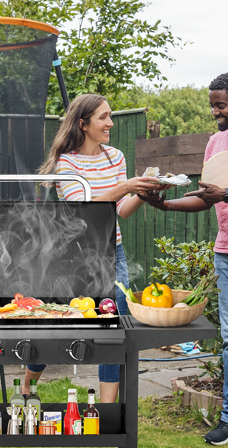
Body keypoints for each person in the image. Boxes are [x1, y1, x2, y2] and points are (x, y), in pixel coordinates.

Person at [144, 72, 228, 445]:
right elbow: (207, 197)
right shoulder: (215, 142)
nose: (215, 112)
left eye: (220, 105)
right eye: (212, 106)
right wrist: (167, 204)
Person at [22, 94, 163, 403]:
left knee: (114, 331)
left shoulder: (115, 156)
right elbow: (79, 208)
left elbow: (122, 210)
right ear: (83, 124)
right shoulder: (67, 162)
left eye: (110, 116)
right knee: (60, 327)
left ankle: (107, 409)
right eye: (103, 117)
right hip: (72, 259)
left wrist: (145, 192)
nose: (110, 123)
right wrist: (126, 187)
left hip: (114, 254)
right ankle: (28, 381)